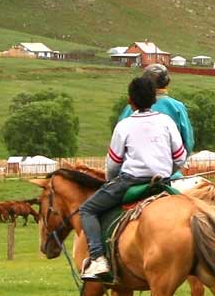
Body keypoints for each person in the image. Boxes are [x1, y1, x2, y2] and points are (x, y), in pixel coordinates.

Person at [79, 75, 188, 282]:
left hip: (131, 181)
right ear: (154, 99)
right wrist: (167, 170)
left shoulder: (124, 126)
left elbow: (113, 164)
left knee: (87, 209)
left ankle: (97, 258)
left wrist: (110, 180)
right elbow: (180, 158)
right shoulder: (166, 122)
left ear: (131, 101)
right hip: (163, 182)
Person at [118, 63, 193, 172]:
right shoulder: (177, 107)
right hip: (169, 173)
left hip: (132, 175)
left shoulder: (131, 107)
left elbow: (119, 143)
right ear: (167, 82)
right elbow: (188, 142)